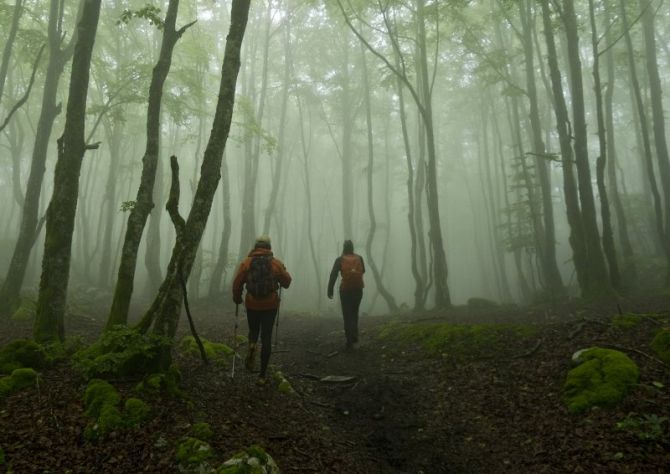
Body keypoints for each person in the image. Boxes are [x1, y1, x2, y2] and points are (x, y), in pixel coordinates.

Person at [233, 235, 291, 383]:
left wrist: (237, 297)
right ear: (269, 247)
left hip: (252, 303)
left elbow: (237, 282)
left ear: (255, 246)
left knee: (253, 330)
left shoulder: (247, 262)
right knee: (266, 336)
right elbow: (287, 282)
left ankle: (252, 344)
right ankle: (262, 376)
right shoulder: (275, 263)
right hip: (270, 305)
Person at [327, 240, 365, 350]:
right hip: (358, 290)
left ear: (344, 248)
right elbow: (363, 271)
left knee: (347, 314)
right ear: (352, 248)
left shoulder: (340, 260)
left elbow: (333, 275)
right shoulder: (359, 258)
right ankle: (354, 335)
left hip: (345, 291)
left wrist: (330, 290)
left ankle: (349, 340)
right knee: (355, 312)